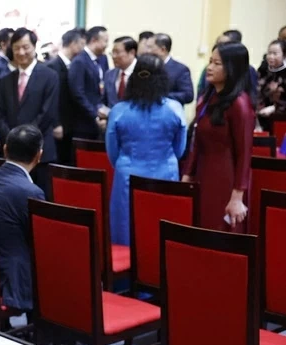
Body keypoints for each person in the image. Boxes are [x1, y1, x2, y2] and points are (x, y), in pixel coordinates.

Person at [106, 54, 187, 245]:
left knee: (127, 227)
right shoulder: (175, 109)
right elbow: (180, 149)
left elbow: (112, 151)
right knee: (161, 224)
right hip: (165, 173)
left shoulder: (119, 110)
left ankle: (126, 271)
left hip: (128, 174)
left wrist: (127, 160)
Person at [182, 43, 254, 232]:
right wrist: (187, 175)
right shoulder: (209, 97)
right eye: (210, 62)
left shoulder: (240, 104)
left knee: (219, 231)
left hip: (226, 179)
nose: (210, 67)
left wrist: (237, 196)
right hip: (203, 175)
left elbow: (244, 154)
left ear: (232, 68)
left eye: (217, 63)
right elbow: (196, 141)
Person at [0, 124, 45, 317]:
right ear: (39, 156)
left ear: (5, 149)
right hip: (15, 277)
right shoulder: (32, 192)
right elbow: (40, 242)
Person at [0, 28, 59, 195]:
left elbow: (47, 114)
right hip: (12, 155)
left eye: (25, 47)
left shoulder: (50, 76)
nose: (21, 52)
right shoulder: (5, 81)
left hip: (40, 150)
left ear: (34, 46)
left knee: (40, 200)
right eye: (16, 48)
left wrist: (24, 139)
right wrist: (12, 139)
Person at [47, 29, 86, 164]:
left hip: (71, 123)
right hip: (60, 125)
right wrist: (56, 123)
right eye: (81, 44)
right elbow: (52, 99)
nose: (83, 48)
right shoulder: (53, 66)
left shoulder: (73, 65)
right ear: (73, 44)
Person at [68, 25, 109, 139]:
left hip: (102, 119)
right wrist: (94, 115)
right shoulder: (79, 61)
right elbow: (78, 93)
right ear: (94, 40)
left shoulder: (103, 59)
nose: (107, 45)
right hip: (84, 122)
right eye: (105, 41)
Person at [196, 30, 258, 103]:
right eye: (218, 43)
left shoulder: (239, 102)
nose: (209, 67)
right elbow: (201, 90)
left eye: (224, 44)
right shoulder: (211, 94)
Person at [152, 33, 194, 106]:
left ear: (162, 50)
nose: (147, 51)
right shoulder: (148, 66)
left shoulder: (180, 69)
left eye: (150, 47)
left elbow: (188, 95)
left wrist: (162, 96)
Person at [257, 39, 286, 131]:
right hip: (259, 116)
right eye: (269, 53)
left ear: (284, 55)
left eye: (275, 53)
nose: (271, 56)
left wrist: (274, 108)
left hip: (280, 118)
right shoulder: (263, 70)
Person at [103, 36, 138, 108]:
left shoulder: (144, 74)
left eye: (117, 52)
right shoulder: (109, 74)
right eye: (112, 52)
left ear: (132, 53)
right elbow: (104, 101)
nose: (113, 56)